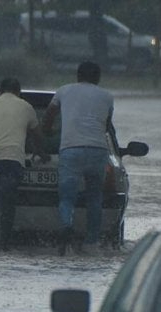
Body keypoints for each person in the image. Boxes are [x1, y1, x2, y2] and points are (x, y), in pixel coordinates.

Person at [41, 60, 113, 255]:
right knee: (95, 198)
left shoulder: (64, 91)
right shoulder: (107, 96)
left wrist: (47, 133)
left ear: (78, 76)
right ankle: (91, 242)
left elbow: (49, 115)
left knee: (67, 197)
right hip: (98, 150)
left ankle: (66, 227)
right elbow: (106, 126)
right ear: (98, 78)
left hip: (71, 150)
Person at [0, 77, 49, 251]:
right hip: (11, 160)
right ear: (19, 92)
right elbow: (37, 135)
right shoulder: (26, 107)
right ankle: (3, 244)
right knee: (7, 203)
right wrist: (41, 153)